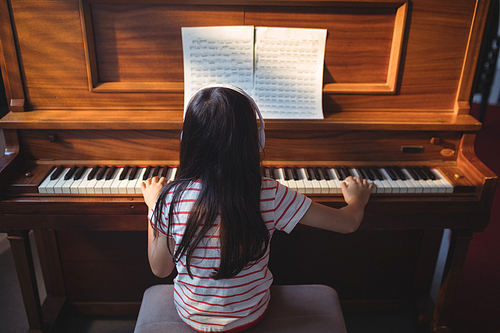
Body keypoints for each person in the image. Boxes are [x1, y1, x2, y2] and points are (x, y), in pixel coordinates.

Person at [141, 85, 374, 332]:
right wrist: (356, 200)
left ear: (186, 138)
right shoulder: (270, 192)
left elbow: (160, 269)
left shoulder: (171, 198)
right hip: (251, 314)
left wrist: (154, 205)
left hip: (191, 316)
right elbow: (348, 224)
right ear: (254, 139)